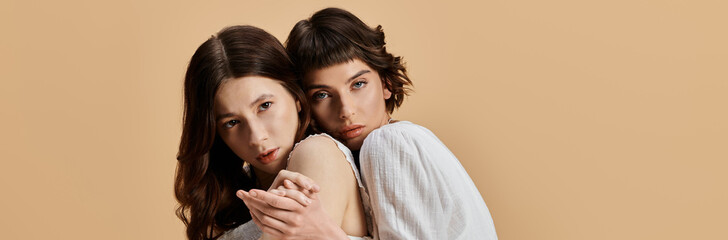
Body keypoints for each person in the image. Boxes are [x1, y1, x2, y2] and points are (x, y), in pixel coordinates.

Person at [243, 7, 498, 239]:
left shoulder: (391, 142)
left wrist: (326, 232)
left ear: (386, 83)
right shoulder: (367, 155)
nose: (346, 110)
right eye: (322, 95)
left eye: (358, 84)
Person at [174, 25, 369, 240]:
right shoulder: (226, 199)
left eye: (265, 106)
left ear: (296, 96)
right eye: (232, 123)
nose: (257, 138)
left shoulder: (316, 152)